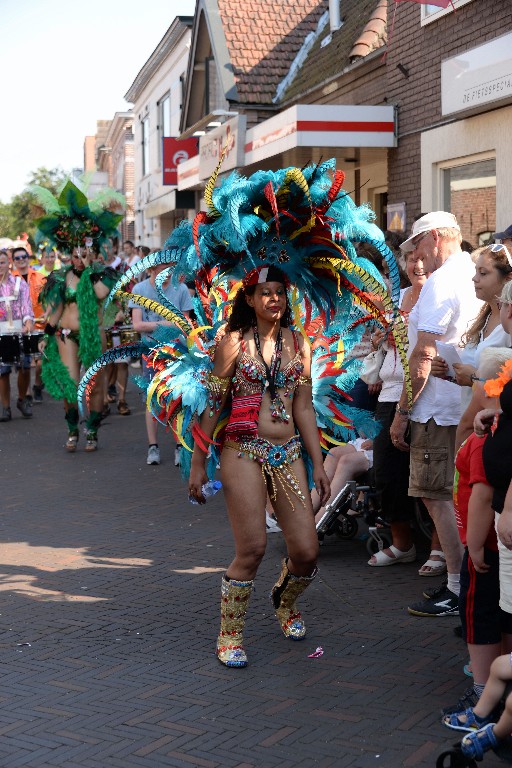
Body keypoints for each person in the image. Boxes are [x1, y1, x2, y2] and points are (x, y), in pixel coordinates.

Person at [189, 266, 330, 667]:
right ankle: (230, 635)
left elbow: (303, 408)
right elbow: (213, 405)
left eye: (279, 293)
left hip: (287, 453)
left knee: (306, 552)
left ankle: (282, 600)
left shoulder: (299, 344)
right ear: (249, 300)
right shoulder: (233, 342)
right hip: (242, 450)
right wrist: (198, 463)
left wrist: (318, 463)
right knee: (252, 548)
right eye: (264, 293)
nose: (273, 300)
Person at [390, 211, 482, 617]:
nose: (418, 256)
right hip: (460, 405)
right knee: (455, 496)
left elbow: (423, 354)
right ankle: (465, 585)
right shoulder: (470, 271)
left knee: (436, 496)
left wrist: (403, 411)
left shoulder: (444, 280)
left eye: (420, 244)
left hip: (438, 409)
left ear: (436, 238)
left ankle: (458, 587)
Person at [33, 179, 123, 451]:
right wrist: (45, 335)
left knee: (95, 386)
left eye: (83, 253)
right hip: (66, 336)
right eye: (74, 253)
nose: (78, 257)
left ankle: (92, 429)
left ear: (91, 251)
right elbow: (56, 311)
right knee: (70, 385)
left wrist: (88, 268)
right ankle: (73, 427)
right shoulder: (60, 278)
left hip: (94, 334)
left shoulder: (103, 275)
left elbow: (97, 295)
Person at [368, 248, 431, 568]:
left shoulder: (438, 296)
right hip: (389, 392)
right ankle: (402, 543)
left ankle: (439, 550)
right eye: (410, 259)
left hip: (425, 393)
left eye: (422, 258)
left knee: (429, 475)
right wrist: (379, 337)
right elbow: (373, 342)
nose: (416, 265)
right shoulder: (399, 297)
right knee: (387, 475)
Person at [432, 243, 512, 442]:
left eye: (483, 273)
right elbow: (474, 374)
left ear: (507, 278)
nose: (475, 278)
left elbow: (505, 381)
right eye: (476, 271)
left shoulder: (508, 325)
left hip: (492, 427)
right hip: (470, 422)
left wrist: (474, 377)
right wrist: (450, 372)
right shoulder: (483, 318)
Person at [130, 261, 193, 466]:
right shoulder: (140, 290)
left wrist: (160, 326)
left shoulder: (181, 288)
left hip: (175, 351)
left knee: (176, 397)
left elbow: (184, 323)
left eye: (170, 269)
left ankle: (178, 446)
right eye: (162, 270)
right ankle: (153, 446)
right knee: (152, 400)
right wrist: (165, 323)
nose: (167, 274)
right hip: (150, 353)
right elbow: (137, 324)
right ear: (151, 270)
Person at [0, 249, 35, 420]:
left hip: (20, 331)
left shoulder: (19, 284)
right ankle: (5, 407)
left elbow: (27, 307)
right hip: (1, 333)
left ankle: (22, 399)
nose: (0, 266)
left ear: (9, 264)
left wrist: (28, 322)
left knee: (25, 368)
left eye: (2, 262)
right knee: (3, 371)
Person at [11, 245, 47, 403]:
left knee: (40, 361)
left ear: (28, 258)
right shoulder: (9, 280)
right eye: (17, 258)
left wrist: (49, 313)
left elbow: (50, 300)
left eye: (23, 257)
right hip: (19, 327)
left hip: (39, 325)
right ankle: (26, 392)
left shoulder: (40, 277)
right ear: (13, 261)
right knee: (23, 363)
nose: (21, 260)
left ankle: (37, 386)